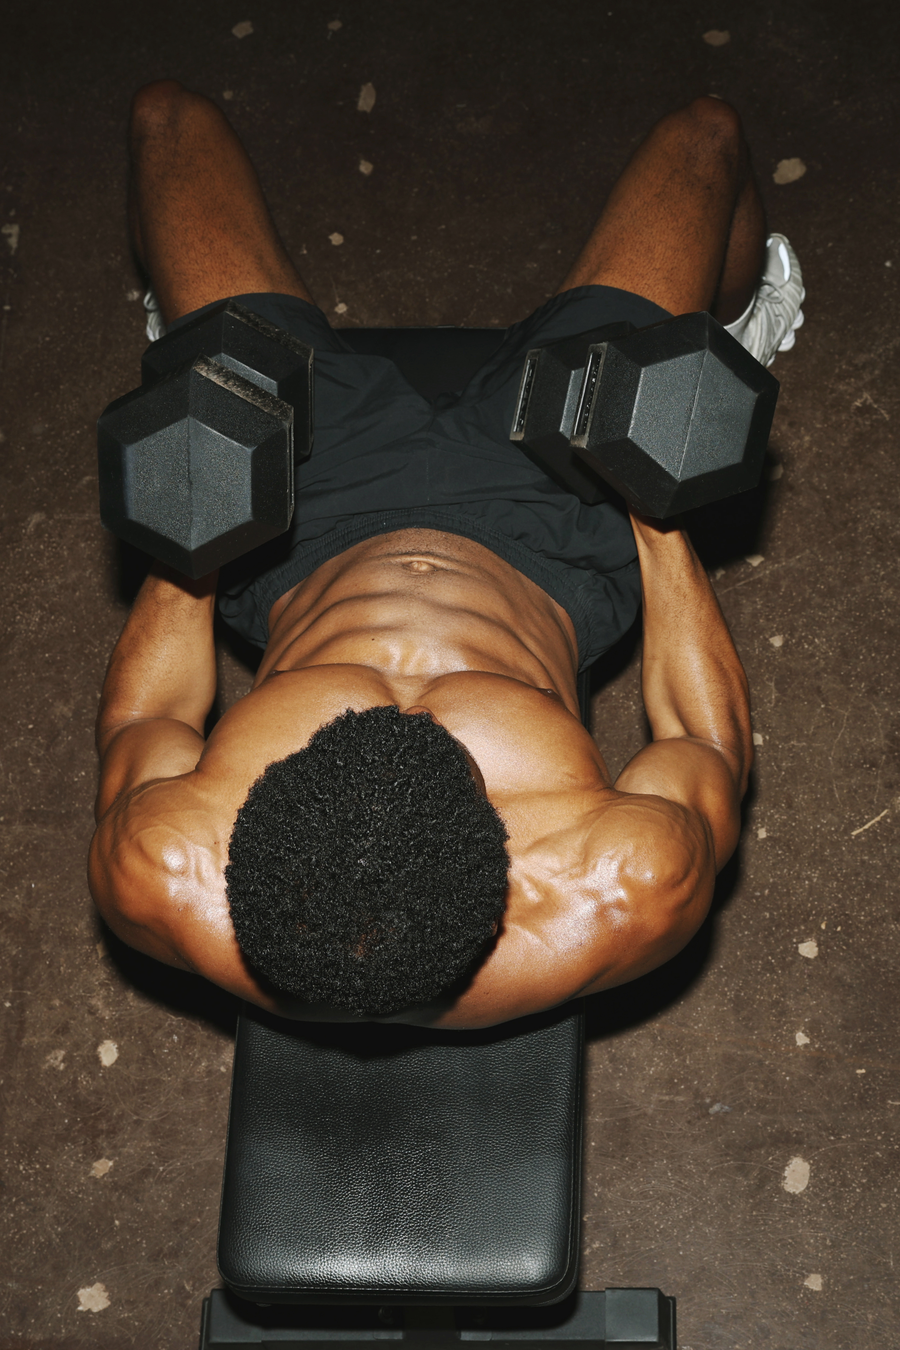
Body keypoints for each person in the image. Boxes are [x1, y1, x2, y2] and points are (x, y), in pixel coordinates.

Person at [88, 81, 804, 1029]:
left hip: (301, 532)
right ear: (506, 855)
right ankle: (740, 319)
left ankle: (198, 350)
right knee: (706, 136)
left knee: (165, 119)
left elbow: (148, 712)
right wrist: (655, 508)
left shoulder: (163, 861)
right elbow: (703, 745)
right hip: (548, 535)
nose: (406, 700)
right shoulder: (616, 882)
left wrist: (202, 523)